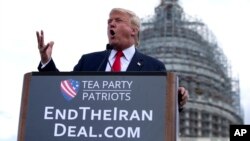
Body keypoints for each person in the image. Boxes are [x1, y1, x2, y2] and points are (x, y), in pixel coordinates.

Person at [36, 8, 188, 110]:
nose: (111, 24)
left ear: (133, 30)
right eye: (109, 21)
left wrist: (177, 100)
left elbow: (161, 111)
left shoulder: (153, 67)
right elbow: (64, 91)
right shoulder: (90, 61)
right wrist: (46, 61)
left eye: (118, 20)